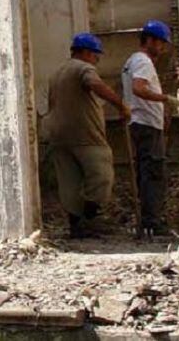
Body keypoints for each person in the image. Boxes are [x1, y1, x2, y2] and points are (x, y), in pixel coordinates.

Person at [44, 33, 131, 238]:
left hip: (58, 135)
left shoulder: (57, 73)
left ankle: (76, 225)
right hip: (85, 134)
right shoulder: (83, 68)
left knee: (69, 182)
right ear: (84, 52)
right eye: (95, 55)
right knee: (101, 176)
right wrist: (120, 105)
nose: (97, 60)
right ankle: (91, 219)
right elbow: (95, 84)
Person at [122, 19, 174, 240]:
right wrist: (165, 99)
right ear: (149, 40)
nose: (162, 48)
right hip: (146, 125)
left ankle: (148, 221)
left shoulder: (132, 61)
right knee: (153, 173)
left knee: (147, 173)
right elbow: (139, 88)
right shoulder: (143, 61)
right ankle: (152, 222)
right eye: (160, 43)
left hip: (141, 123)